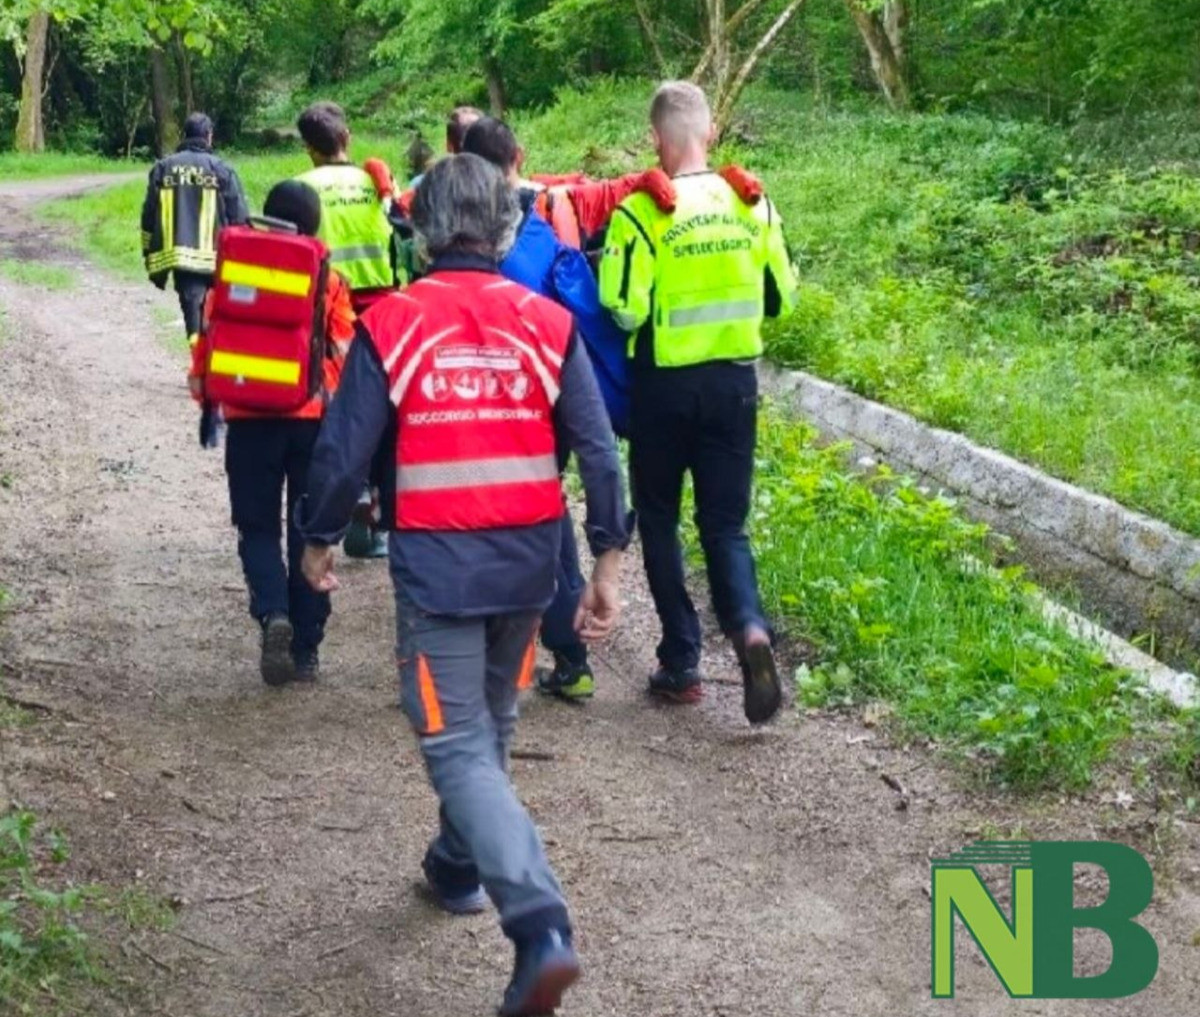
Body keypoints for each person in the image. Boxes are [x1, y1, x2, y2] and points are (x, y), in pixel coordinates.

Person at [298, 154, 629, 1016]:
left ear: (424, 230)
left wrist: (319, 540)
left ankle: (540, 925)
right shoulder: (548, 321)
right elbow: (598, 449)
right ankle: (455, 865)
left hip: (440, 576)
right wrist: (603, 565)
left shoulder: (395, 322)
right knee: (492, 723)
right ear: (506, 228)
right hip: (529, 572)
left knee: (453, 744)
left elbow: (343, 448)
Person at [598, 81, 799, 725]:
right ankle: (750, 632)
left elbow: (623, 310)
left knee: (658, 518)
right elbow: (782, 298)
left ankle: (682, 661)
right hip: (735, 385)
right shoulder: (752, 202)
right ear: (710, 133)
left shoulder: (640, 213)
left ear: (656, 139)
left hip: (663, 387)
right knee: (725, 526)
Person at [461, 115, 656, 701]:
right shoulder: (554, 209)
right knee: (545, 518)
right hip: (556, 390)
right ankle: (569, 657)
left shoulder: (461, 222)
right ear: (519, 154)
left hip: (491, 399)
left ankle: (485, 652)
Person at [188, 180, 357, 685]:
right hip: (312, 424)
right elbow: (346, 356)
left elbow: (206, 357)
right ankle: (305, 648)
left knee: (258, 528)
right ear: (314, 223)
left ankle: (272, 614)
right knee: (309, 530)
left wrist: (212, 401)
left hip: (249, 422)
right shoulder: (329, 279)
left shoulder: (234, 272)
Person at [297, 101, 397, 558]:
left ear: (308, 149)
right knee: (379, 413)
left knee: (332, 412)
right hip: (380, 309)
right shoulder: (376, 183)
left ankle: (336, 508)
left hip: (326, 311)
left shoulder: (300, 188)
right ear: (347, 138)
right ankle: (375, 516)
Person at [141, 112, 248, 346]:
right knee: (221, 313)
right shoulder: (222, 169)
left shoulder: (163, 168)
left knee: (192, 313)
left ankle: (198, 363)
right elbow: (239, 217)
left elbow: (148, 215)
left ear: (185, 135)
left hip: (181, 257)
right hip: (218, 258)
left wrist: (148, 251)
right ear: (208, 137)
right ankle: (216, 364)